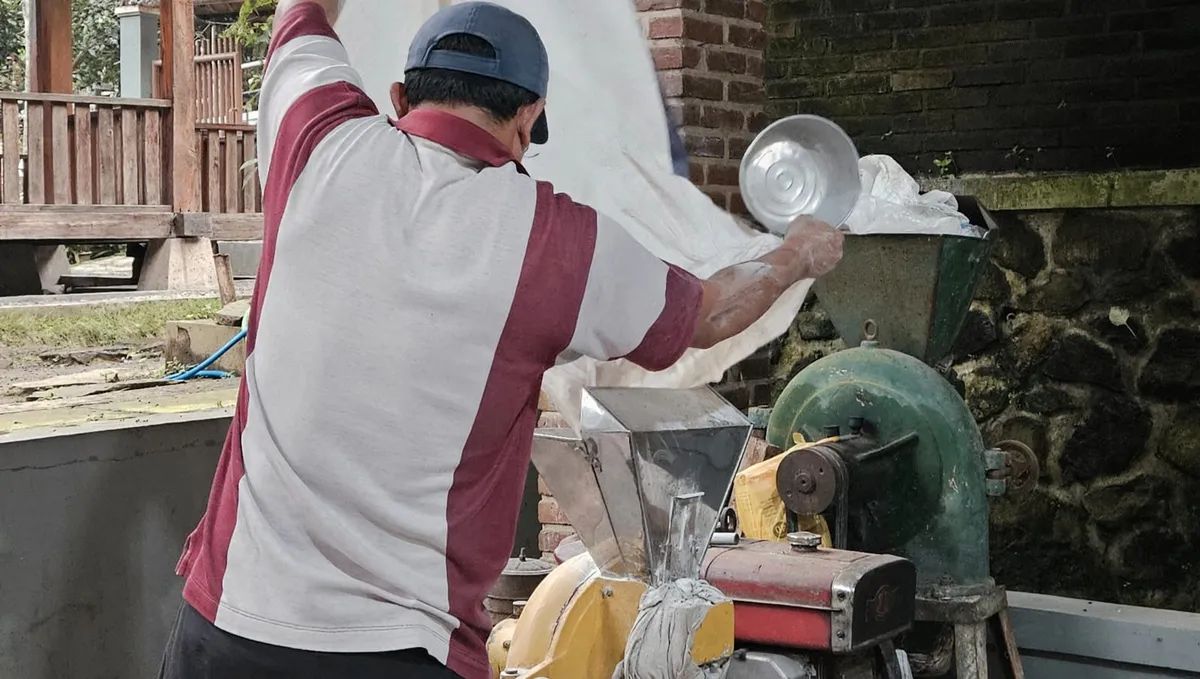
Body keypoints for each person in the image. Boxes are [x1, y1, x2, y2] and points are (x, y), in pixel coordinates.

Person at [158, 1, 844, 678]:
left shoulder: (316, 137)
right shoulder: (556, 243)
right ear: (528, 118)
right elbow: (711, 313)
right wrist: (797, 253)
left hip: (227, 625)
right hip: (403, 647)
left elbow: (300, 15)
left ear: (399, 96)